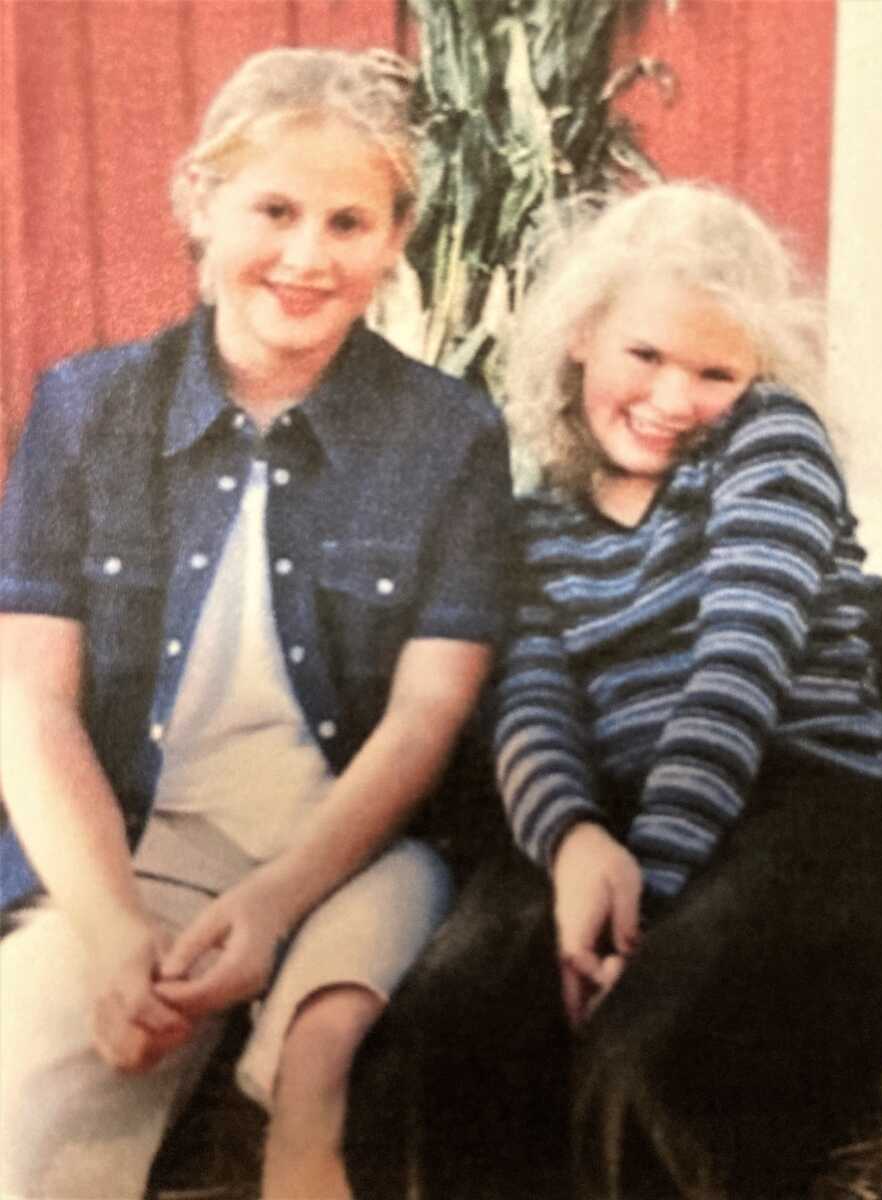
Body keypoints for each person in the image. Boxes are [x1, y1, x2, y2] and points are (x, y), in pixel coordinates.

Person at [0, 47, 511, 1200]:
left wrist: (274, 905)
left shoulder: (448, 437)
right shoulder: (86, 412)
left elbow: (432, 714)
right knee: (18, 1117)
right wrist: (111, 932)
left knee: (316, 1121)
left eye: (349, 222)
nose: (305, 256)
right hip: (141, 854)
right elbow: (28, 702)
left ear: (394, 242)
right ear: (201, 203)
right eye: (274, 209)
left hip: (352, 857)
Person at [344, 182, 882, 1199]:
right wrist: (571, 845)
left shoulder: (771, 441)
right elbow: (532, 705)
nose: (674, 396)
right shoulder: (535, 521)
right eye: (646, 355)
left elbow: (741, 667)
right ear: (583, 336)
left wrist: (649, 898)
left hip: (802, 797)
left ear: (762, 374)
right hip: (608, 810)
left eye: (716, 370)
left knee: (652, 1061)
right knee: (444, 1044)